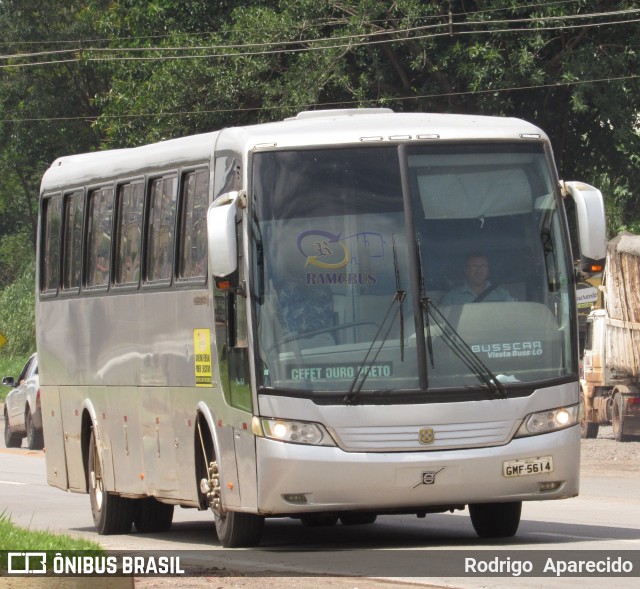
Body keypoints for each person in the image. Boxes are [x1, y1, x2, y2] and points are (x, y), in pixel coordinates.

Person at [440, 253, 513, 305]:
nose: (479, 270)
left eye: (483, 266)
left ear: (488, 269)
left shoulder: (502, 295)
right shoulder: (451, 298)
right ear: (466, 270)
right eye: (474, 266)